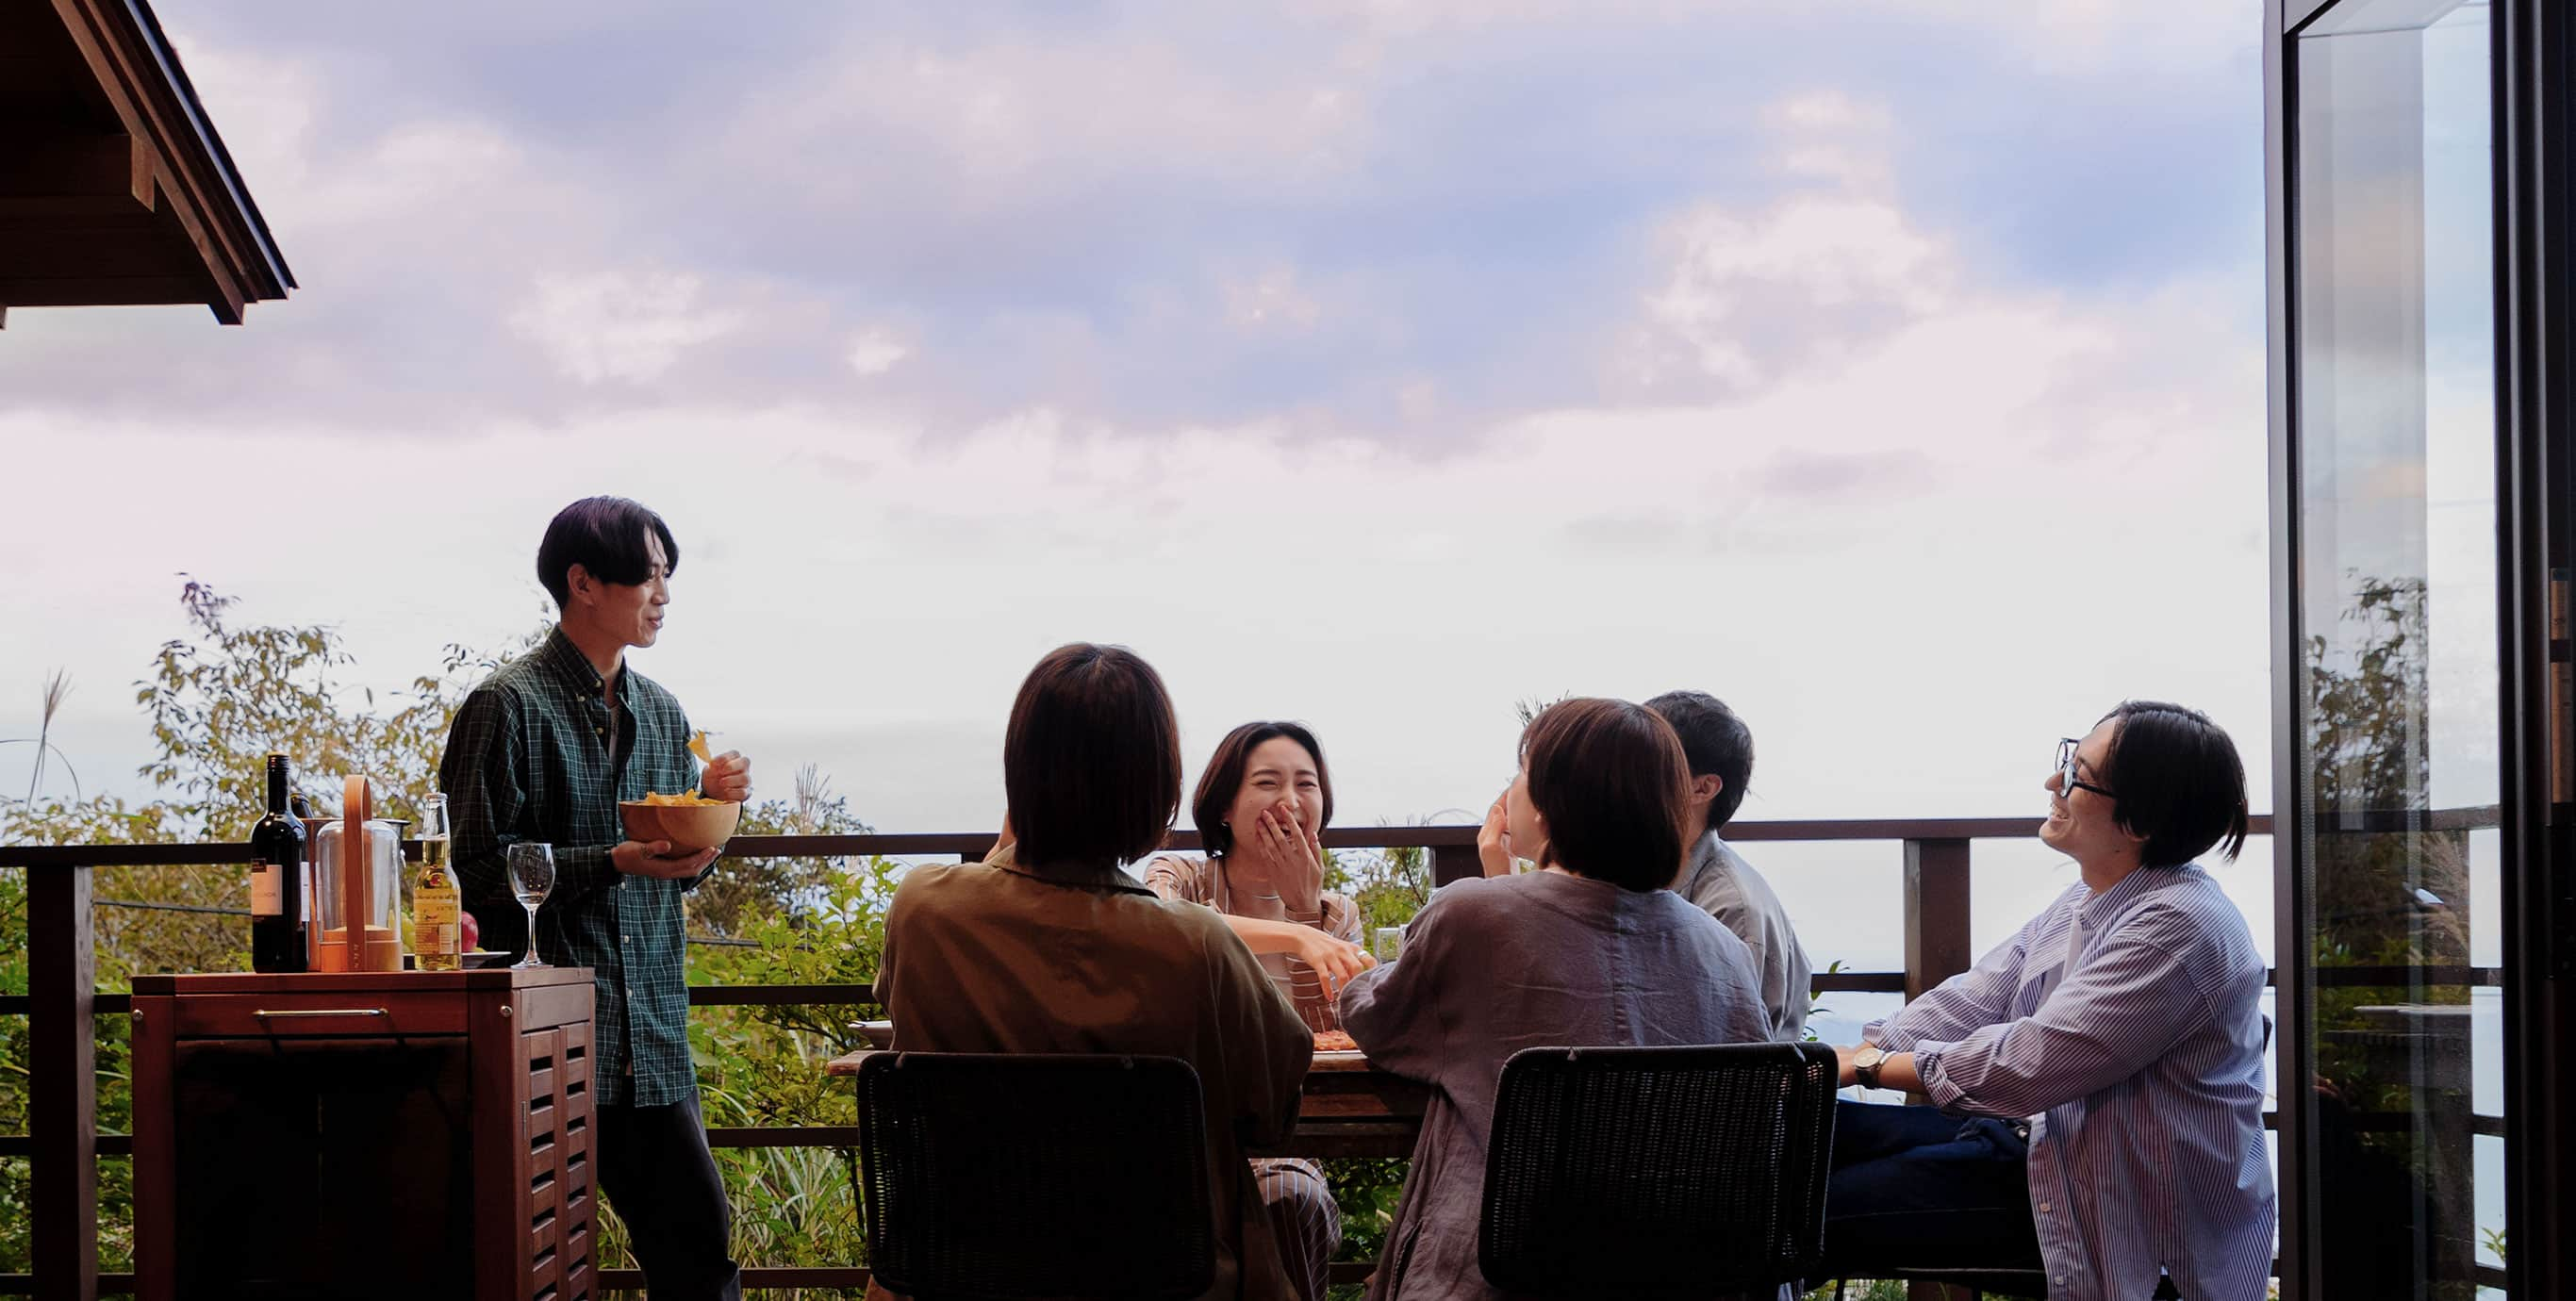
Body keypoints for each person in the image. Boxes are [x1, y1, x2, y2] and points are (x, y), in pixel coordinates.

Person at [872, 644, 1315, 1301]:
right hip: (1160, 1280)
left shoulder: (925, 910)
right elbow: (1270, 1113)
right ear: (1157, 790)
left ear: (1018, 772)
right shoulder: (1197, 945)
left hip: (965, 1275)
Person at [1825, 701, 2273, 1301]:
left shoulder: (2180, 925)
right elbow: (1981, 994)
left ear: (2138, 823)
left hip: (2112, 1204)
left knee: (1806, 1209)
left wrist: (1872, 1068)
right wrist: (1859, 1050)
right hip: (2043, 1143)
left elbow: (2029, 1063)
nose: (2053, 783)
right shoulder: (2093, 896)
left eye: (2078, 775)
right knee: (1802, 1129)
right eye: (2069, 760)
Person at [1339, 698, 1772, 1301]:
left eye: (1520, 772)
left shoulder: (1471, 914)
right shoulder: (1723, 951)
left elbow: (1377, 1020)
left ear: (1547, 807)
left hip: (1501, 1272)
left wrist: (1358, 973)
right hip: (1684, 1276)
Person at [439, 496, 752, 1301]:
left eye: (667, 577)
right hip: (545, 1042)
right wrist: (609, 862)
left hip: (648, 1037)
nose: (665, 596)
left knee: (700, 1261)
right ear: (583, 581)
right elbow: (477, 873)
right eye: (650, 575)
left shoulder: (665, 714)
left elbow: (681, 863)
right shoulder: (504, 708)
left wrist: (715, 811)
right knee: (532, 1270)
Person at [1143, 720, 1375, 1301]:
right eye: (1268, 783)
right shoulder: (1182, 879)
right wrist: (1297, 939)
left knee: (1292, 1200)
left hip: (1281, 1139)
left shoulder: (1335, 911)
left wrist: (1302, 910)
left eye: (1307, 784)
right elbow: (1168, 927)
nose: (1291, 802)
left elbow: (1329, 1036)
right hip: (1186, 1130)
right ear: (1224, 805)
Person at [1643, 690, 1813, 1042]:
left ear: (1703, 788)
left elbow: (1725, 1061)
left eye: (1647, 759)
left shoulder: (1731, 908)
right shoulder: (1655, 874)